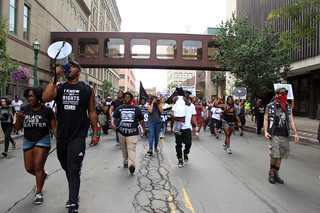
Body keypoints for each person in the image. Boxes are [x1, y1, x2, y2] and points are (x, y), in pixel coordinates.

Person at [42, 60, 99, 213]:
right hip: (62, 135)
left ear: (79, 72)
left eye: (73, 66)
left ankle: (73, 202)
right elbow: (46, 98)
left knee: (73, 168)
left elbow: (92, 111)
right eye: (68, 66)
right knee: (65, 165)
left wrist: (95, 133)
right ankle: (74, 182)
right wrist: (56, 75)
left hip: (79, 135)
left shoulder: (87, 88)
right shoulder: (59, 87)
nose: (69, 68)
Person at [14, 87, 57, 205]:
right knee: (29, 168)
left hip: (43, 139)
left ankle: (38, 193)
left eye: (32, 96)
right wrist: (18, 118)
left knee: (38, 165)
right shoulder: (23, 110)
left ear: (38, 97)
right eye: (28, 96)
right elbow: (18, 128)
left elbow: (54, 127)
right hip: (28, 140)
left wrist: (60, 140)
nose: (30, 99)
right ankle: (43, 175)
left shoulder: (47, 110)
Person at [264, 87, 299, 184]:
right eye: (281, 94)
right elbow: (266, 119)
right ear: (277, 95)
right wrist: (266, 131)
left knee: (281, 155)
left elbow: (291, 120)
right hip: (274, 133)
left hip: (284, 134)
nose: (283, 96)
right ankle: (271, 172)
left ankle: (276, 173)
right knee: (274, 154)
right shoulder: (270, 106)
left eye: (285, 95)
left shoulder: (287, 107)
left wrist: (296, 133)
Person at [111, 92, 145, 173]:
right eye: (125, 97)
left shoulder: (136, 109)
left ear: (131, 99)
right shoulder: (119, 108)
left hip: (132, 133)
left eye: (128, 97)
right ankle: (126, 161)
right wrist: (112, 123)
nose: (127, 98)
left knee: (131, 148)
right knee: (124, 149)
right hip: (121, 132)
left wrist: (143, 130)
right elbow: (114, 117)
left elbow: (141, 120)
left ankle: (132, 164)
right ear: (123, 99)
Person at [171, 96, 196, 167]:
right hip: (179, 128)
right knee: (178, 144)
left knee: (188, 144)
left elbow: (193, 115)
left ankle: (185, 153)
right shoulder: (176, 105)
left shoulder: (191, 106)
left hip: (187, 127)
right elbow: (171, 114)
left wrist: (195, 124)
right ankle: (180, 159)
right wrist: (179, 120)